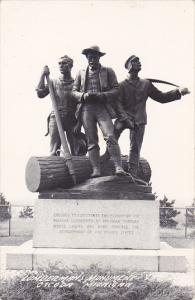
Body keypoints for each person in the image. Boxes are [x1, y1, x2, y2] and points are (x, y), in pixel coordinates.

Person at [113, 54, 190, 180]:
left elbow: (161, 98)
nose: (139, 63)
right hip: (123, 118)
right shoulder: (121, 85)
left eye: (139, 61)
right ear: (129, 66)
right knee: (112, 136)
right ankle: (111, 162)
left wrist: (178, 92)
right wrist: (124, 118)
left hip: (139, 119)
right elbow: (117, 104)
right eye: (136, 61)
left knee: (135, 147)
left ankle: (132, 175)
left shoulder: (146, 84)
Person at [72, 45, 127, 178]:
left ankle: (118, 167)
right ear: (87, 58)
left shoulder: (108, 71)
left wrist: (103, 95)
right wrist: (83, 96)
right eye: (89, 57)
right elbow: (73, 92)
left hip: (102, 107)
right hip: (86, 109)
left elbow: (116, 89)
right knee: (91, 140)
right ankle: (96, 169)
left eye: (94, 57)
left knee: (110, 136)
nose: (92, 60)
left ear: (99, 57)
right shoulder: (80, 72)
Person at [36, 55, 87, 156]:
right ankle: (55, 168)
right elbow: (40, 94)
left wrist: (79, 124)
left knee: (77, 150)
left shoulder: (76, 84)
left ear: (71, 66)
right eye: (59, 63)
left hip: (72, 119)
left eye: (64, 63)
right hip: (56, 117)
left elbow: (82, 105)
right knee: (54, 150)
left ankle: (77, 169)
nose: (61, 65)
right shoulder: (53, 82)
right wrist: (42, 75)